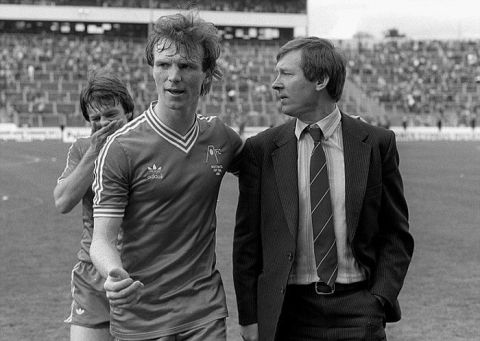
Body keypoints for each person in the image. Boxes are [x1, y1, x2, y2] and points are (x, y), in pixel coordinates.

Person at [233, 37, 414, 341]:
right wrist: (249, 317)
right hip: (286, 312)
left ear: (320, 79)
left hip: (358, 308)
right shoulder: (261, 150)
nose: (275, 84)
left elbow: (396, 233)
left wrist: (379, 299)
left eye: (286, 74)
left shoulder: (376, 144)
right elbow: (246, 244)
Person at [90, 11, 243, 341]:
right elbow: (101, 239)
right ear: (152, 70)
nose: (173, 76)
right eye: (163, 64)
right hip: (140, 314)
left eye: (186, 66)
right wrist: (113, 274)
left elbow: (273, 165)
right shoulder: (121, 148)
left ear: (207, 75)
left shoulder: (221, 137)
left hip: (204, 310)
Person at [53, 68, 135, 341]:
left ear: (129, 114)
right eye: (96, 118)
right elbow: (63, 201)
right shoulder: (82, 149)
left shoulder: (148, 148)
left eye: (111, 115)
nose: (103, 124)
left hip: (141, 271)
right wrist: (94, 152)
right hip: (92, 271)